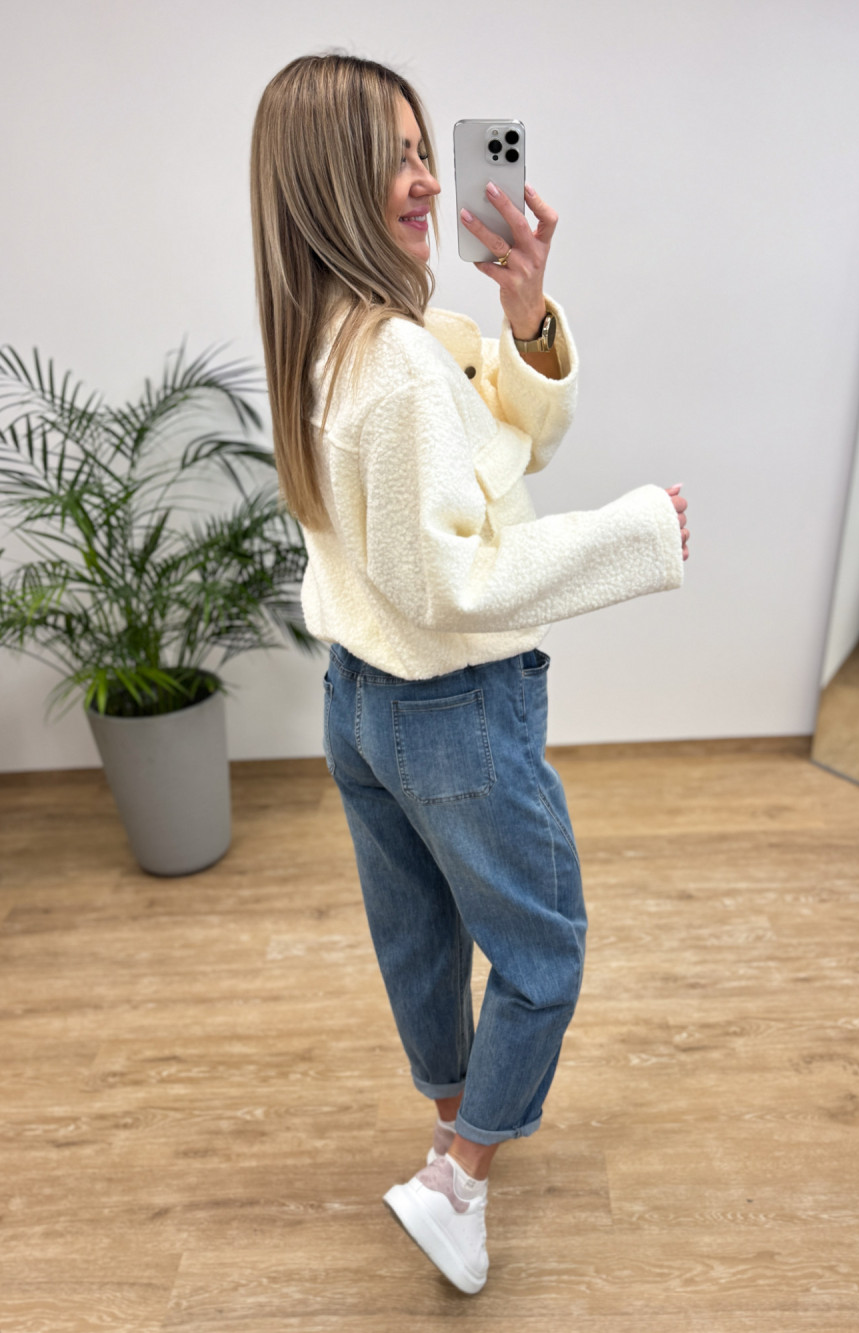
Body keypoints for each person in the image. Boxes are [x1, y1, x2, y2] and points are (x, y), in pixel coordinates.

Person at [250, 52, 689, 1295]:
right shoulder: (395, 363)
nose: (430, 180)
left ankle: (454, 1129)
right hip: (450, 707)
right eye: (392, 157)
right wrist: (638, 534)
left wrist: (526, 311)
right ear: (325, 178)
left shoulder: (335, 334)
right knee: (543, 950)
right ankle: (457, 1180)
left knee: (422, 938)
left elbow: (505, 443)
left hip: (362, 703)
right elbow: (455, 580)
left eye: (421, 150)